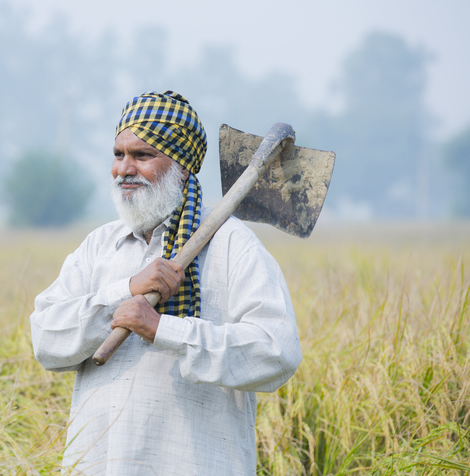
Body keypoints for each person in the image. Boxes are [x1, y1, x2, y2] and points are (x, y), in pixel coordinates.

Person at [30, 91, 302, 475]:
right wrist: (126, 291)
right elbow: (45, 339)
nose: (124, 169)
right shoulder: (99, 246)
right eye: (118, 154)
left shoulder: (232, 245)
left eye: (142, 156)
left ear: (182, 166)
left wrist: (163, 329)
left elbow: (277, 353)